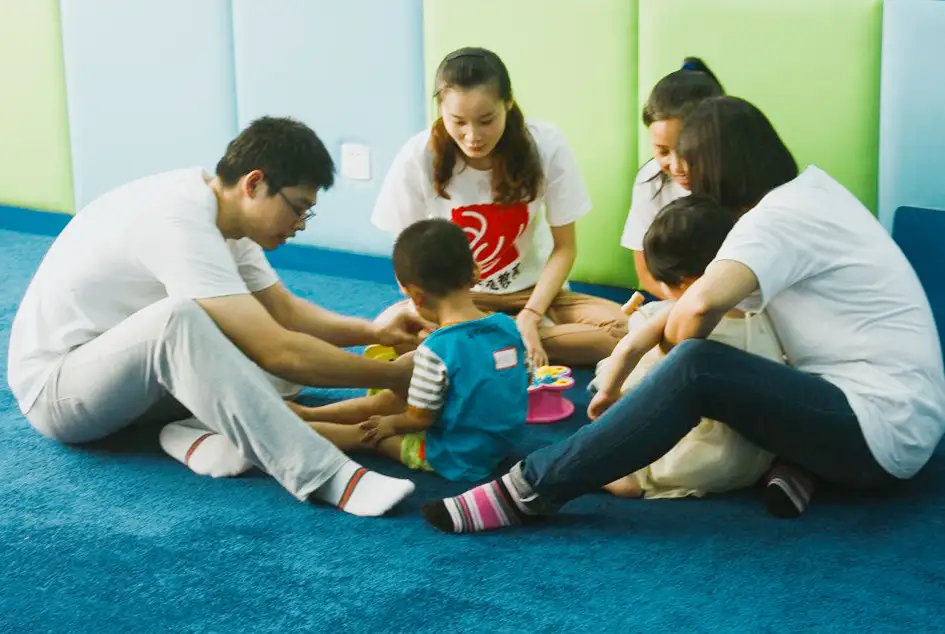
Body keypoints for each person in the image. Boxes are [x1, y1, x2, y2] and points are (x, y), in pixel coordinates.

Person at [419, 96, 945, 533]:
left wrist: (659, 379)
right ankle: (797, 465)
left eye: (688, 167)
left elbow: (698, 308)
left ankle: (532, 488)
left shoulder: (775, 221)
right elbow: (693, 303)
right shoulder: (810, 192)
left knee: (698, 366)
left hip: (877, 433)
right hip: (895, 418)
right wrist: (641, 347)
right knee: (730, 350)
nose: (682, 179)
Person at [7, 116, 436, 518]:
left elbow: (285, 315)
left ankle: (193, 433)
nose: (301, 224)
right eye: (298, 207)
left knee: (279, 367)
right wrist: (396, 377)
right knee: (180, 323)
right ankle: (325, 474)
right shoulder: (176, 219)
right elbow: (279, 350)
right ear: (255, 183)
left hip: (132, 381)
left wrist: (374, 331)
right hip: (58, 390)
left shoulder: (227, 218)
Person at [371, 46, 626, 369]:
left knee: (620, 329)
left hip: (535, 293)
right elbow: (407, 260)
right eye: (458, 121)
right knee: (388, 329)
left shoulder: (546, 144)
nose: (472, 136)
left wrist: (532, 314)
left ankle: (481, 345)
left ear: (508, 102)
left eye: (486, 120)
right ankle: (509, 340)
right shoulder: (418, 155)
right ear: (441, 110)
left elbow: (565, 248)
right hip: (457, 297)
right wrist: (451, 311)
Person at [292, 219, 529, 482]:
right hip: (501, 444)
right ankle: (310, 414)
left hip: (456, 456)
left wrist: (390, 424)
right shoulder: (508, 326)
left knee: (370, 434)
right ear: (476, 271)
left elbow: (420, 419)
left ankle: (294, 427)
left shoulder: (436, 349)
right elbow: (523, 379)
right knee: (400, 397)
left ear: (416, 296)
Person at [597, 196, 782, 500]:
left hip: (694, 460)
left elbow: (629, 350)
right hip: (758, 456)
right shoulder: (761, 308)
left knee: (639, 382)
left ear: (686, 282)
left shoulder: (684, 313)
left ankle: (635, 477)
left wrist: (607, 394)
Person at [621, 57, 723, 299]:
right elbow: (646, 273)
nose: (677, 166)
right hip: (680, 302)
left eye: (687, 150)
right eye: (663, 151)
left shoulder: (743, 179)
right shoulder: (651, 180)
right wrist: (688, 307)